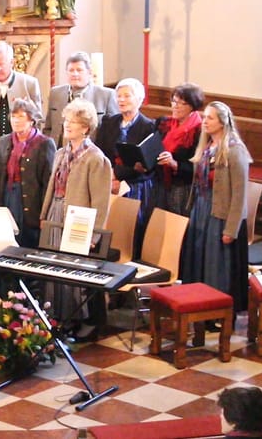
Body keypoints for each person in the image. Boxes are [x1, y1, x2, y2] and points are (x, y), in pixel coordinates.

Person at [40, 99, 112, 341]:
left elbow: (101, 202)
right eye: (66, 120)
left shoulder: (95, 158)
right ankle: (60, 317)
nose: (68, 125)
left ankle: (83, 320)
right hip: (56, 213)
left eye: (74, 122)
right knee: (56, 266)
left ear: (86, 127)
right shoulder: (61, 152)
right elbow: (52, 186)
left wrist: (94, 234)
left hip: (79, 217)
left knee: (74, 271)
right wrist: (45, 214)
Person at [181, 101, 250, 315]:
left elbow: (239, 194)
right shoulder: (207, 146)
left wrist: (231, 229)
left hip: (220, 213)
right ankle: (197, 307)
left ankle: (217, 311)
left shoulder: (234, 150)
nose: (204, 122)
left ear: (222, 122)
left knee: (216, 265)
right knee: (198, 259)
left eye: (209, 118)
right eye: (204, 118)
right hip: (201, 209)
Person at [94, 78, 155, 259]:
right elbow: (99, 152)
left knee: (129, 231)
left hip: (135, 187)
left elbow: (146, 163)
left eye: (127, 96)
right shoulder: (109, 122)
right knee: (106, 229)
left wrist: (118, 176)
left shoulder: (149, 126)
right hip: (107, 183)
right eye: (118, 96)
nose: (121, 100)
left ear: (139, 99)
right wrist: (109, 177)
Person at [0, 99, 56, 248]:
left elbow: (48, 182)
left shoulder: (44, 143)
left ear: (31, 120)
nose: (16, 120)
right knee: (8, 240)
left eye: (21, 116)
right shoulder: (4, 141)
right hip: (7, 196)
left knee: (27, 241)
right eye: (13, 116)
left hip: (31, 200)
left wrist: (45, 214)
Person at [44, 51, 118, 147]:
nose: (75, 74)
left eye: (79, 70)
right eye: (71, 70)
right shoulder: (56, 93)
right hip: (59, 153)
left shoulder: (106, 95)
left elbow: (113, 132)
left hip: (91, 154)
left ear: (89, 72)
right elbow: (48, 128)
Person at [153, 83, 205, 216]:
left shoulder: (200, 131)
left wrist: (174, 164)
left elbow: (199, 167)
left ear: (192, 107)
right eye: (173, 101)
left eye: (181, 103)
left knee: (176, 227)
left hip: (182, 187)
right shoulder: (164, 123)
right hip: (159, 182)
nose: (175, 106)